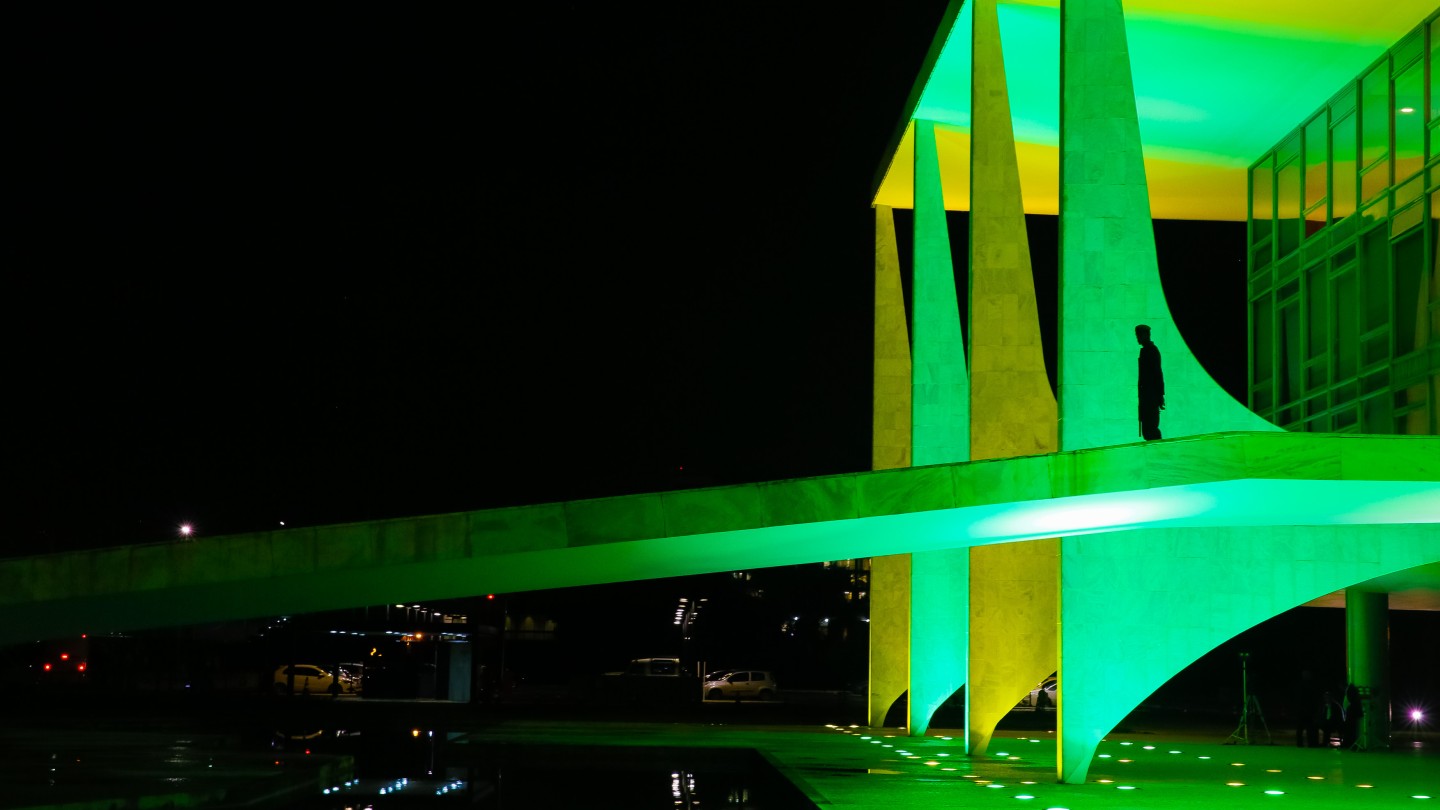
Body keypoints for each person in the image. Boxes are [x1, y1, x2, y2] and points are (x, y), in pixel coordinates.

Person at [1136, 324, 1165, 440]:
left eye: (1139, 335)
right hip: (1146, 398)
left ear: (1146, 335)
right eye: (1137, 335)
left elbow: (1158, 374)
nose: (1137, 338)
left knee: (1150, 429)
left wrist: (1159, 395)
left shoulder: (1151, 351)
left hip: (1150, 397)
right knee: (1148, 430)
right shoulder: (1146, 351)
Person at [1294, 669, 1322, 747]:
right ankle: (1311, 743)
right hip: (1309, 711)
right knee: (1309, 729)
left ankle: (1301, 744)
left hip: (1304, 711)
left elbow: (1297, 698)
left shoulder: (1300, 685)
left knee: (1301, 729)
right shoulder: (1312, 685)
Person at [1340, 683, 1365, 749]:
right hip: (1350, 712)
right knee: (1351, 729)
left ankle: (1349, 743)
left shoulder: (1350, 690)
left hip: (1351, 713)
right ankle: (1349, 743)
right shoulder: (1350, 690)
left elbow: (1350, 701)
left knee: (1351, 729)